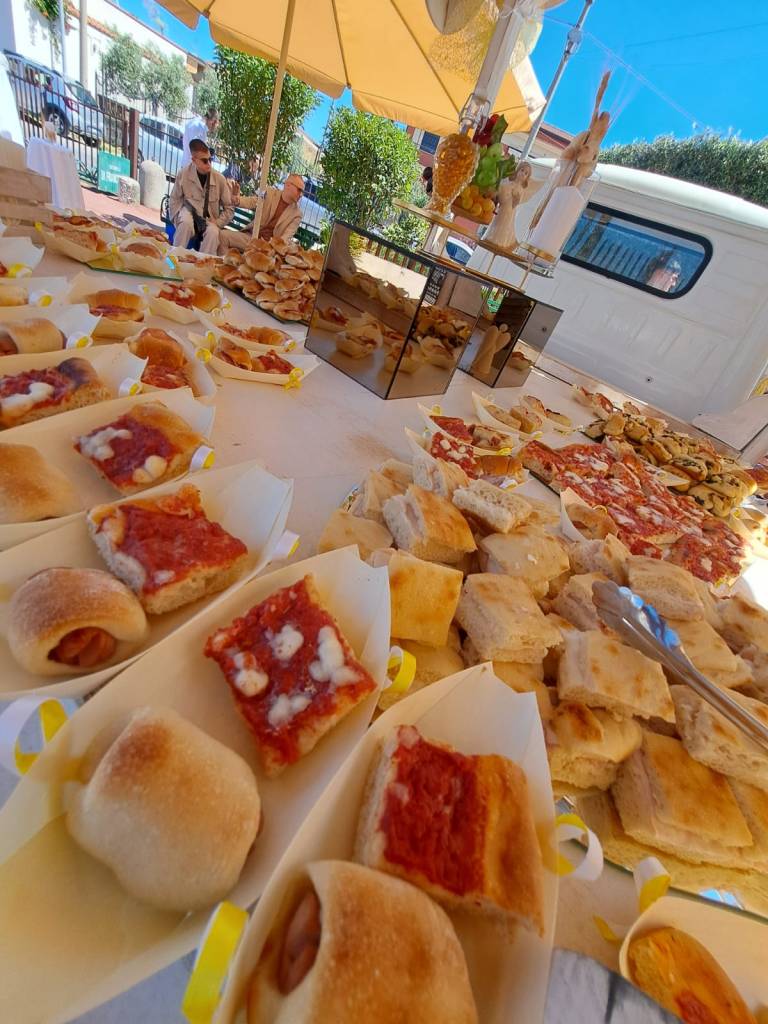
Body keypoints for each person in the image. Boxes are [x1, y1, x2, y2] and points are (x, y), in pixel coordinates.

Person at [169, 139, 234, 254]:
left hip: (209, 219)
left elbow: (229, 208)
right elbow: (174, 199)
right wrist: (176, 219)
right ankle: (172, 261)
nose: (209, 164)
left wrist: (218, 222)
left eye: (210, 159)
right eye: (204, 161)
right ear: (194, 160)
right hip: (188, 212)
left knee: (213, 233)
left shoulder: (219, 179)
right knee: (184, 224)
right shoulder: (183, 174)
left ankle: (202, 263)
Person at [224, 173, 305, 250]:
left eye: (302, 192)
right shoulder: (268, 192)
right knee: (223, 236)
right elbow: (253, 201)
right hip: (251, 238)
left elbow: (285, 238)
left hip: (269, 249)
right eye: (299, 190)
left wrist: (271, 250)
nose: (301, 195)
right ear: (288, 185)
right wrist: (237, 200)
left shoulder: (297, 214)